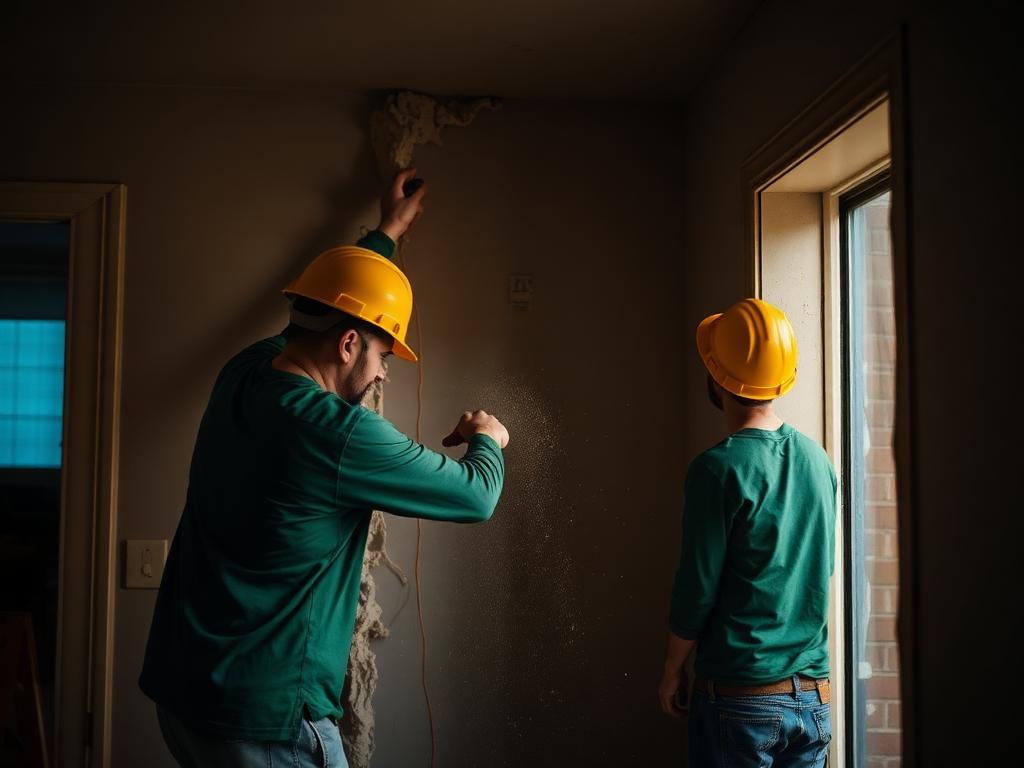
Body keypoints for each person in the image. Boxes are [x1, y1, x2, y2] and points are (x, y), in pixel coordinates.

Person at [139, 169, 509, 768]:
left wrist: (386, 232)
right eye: (385, 353)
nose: (386, 372)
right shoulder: (336, 432)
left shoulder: (245, 372)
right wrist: (488, 439)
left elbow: (325, 307)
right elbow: (476, 497)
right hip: (267, 721)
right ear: (347, 345)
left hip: (186, 697)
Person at [658, 297, 837, 767]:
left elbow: (696, 586)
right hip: (813, 697)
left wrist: (673, 669)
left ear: (717, 376)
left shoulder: (717, 470)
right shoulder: (819, 461)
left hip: (741, 699)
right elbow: (819, 571)